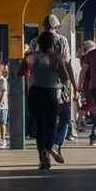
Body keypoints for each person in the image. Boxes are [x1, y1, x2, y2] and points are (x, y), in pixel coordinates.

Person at [25, 31, 69, 169]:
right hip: (50, 93)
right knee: (51, 125)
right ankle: (49, 147)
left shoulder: (31, 56)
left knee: (39, 127)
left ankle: (43, 159)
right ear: (53, 44)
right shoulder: (56, 57)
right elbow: (65, 77)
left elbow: (19, 72)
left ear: (38, 43)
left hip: (34, 93)